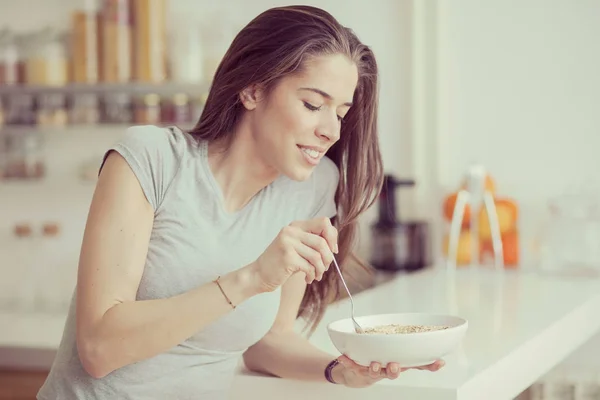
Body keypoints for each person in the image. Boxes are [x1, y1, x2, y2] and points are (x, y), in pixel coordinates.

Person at [37, 5, 443, 400]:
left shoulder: (311, 189)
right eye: (313, 105)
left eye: (340, 113)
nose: (331, 131)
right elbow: (99, 348)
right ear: (252, 89)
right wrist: (251, 278)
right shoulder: (152, 158)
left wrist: (341, 370)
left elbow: (268, 341)